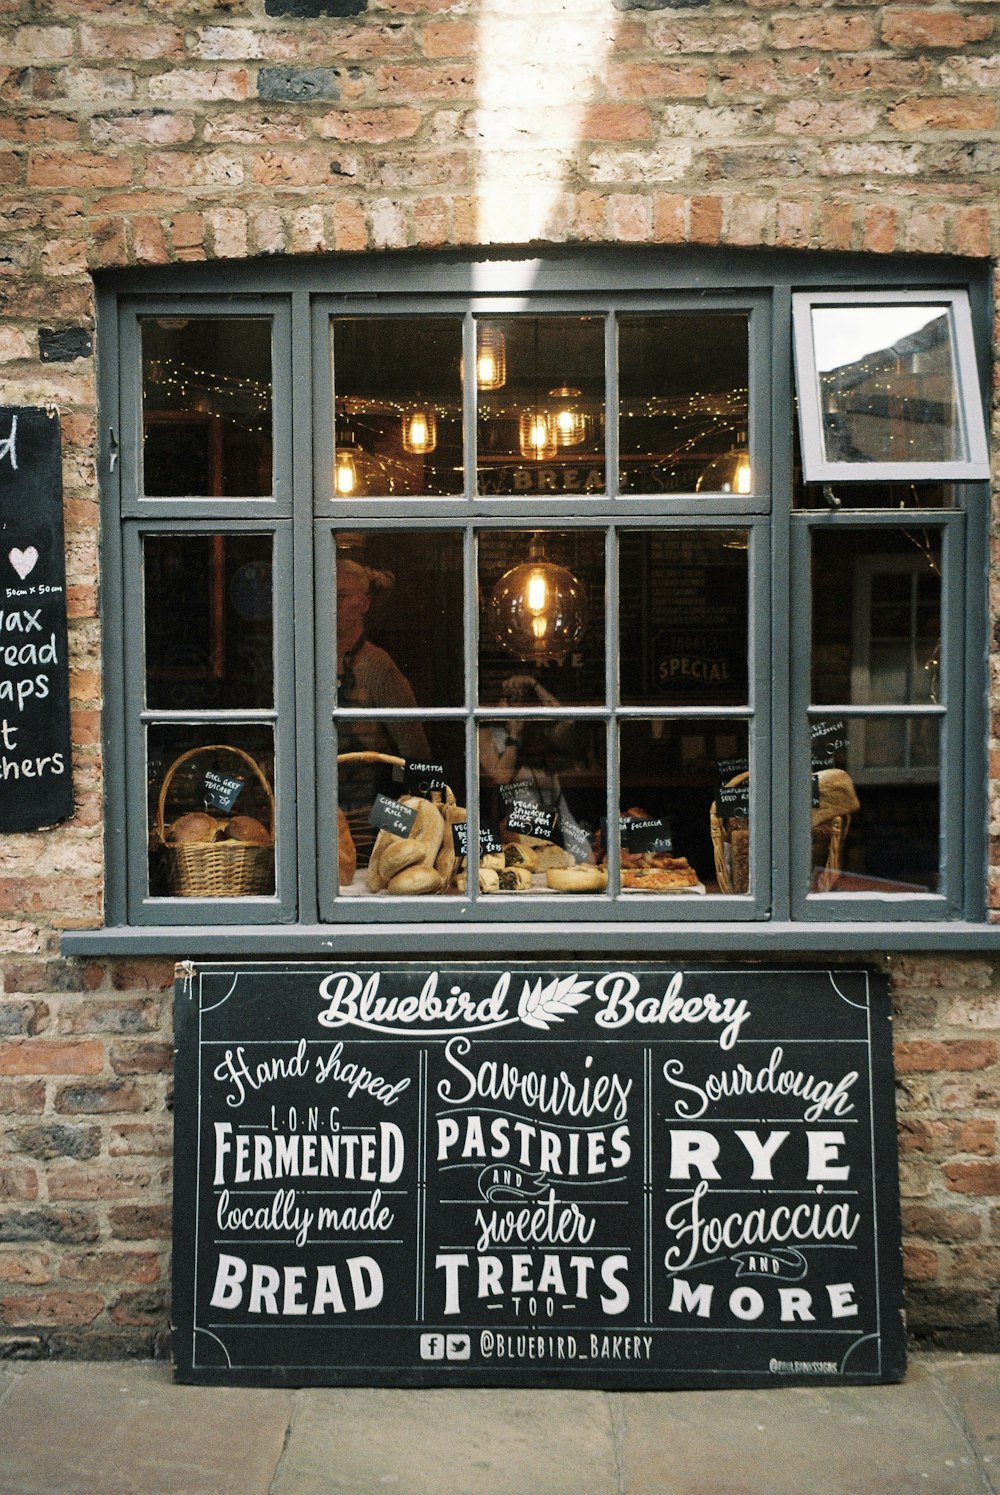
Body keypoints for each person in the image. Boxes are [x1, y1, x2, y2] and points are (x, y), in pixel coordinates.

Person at [336, 558, 430, 865]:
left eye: (340, 596)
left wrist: (398, 836)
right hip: (323, 822)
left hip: (369, 828)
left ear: (363, 604)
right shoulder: (311, 663)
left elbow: (415, 755)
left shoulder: (378, 667)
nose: (329, 604)